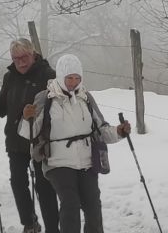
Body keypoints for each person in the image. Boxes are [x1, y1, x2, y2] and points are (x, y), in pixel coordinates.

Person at [19, 54, 131, 233]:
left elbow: (101, 128)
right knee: (70, 204)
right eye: (69, 78)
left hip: (87, 161)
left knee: (93, 206)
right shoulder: (45, 98)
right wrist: (27, 119)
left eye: (77, 78)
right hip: (58, 162)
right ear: (61, 76)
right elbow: (28, 133)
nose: (73, 82)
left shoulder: (85, 98)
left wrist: (119, 132)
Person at [0, 39, 60, 233]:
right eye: (15, 58)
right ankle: (29, 223)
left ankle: (53, 228)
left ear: (33, 54)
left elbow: (58, 108)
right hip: (16, 140)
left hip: (41, 140)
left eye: (24, 57)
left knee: (44, 187)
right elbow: (2, 106)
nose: (20, 62)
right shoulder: (10, 77)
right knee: (18, 182)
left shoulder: (48, 75)